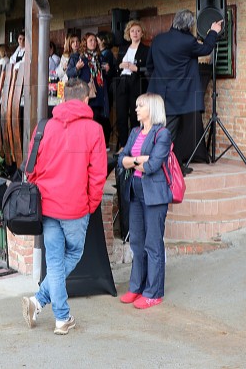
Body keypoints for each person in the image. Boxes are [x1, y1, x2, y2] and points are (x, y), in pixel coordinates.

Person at [21, 78, 107, 335]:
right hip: (75, 207)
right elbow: (98, 175)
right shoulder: (93, 130)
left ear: (62, 98)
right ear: (85, 99)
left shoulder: (44, 127)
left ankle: (44, 306)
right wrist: (91, 204)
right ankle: (58, 315)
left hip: (47, 207)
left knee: (56, 261)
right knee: (71, 256)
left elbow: (30, 168)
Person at [146, 9, 222, 165]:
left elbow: (149, 66)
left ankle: (173, 163)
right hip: (178, 96)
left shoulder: (158, 39)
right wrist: (213, 32)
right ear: (189, 26)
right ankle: (166, 166)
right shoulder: (187, 42)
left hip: (158, 93)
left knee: (158, 129)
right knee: (170, 133)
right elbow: (206, 48)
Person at [117, 93, 172, 308]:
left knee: (153, 243)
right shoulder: (134, 132)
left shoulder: (162, 133)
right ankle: (136, 287)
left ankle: (153, 291)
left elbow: (153, 165)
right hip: (135, 192)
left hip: (154, 195)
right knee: (137, 241)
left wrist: (136, 162)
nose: (136, 109)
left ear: (153, 109)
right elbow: (122, 160)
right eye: (137, 104)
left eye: (141, 106)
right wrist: (139, 160)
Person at [67, 32, 110, 146]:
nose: (93, 43)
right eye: (90, 40)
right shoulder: (78, 57)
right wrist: (77, 67)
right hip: (87, 95)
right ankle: (88, 145)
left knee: (100, 120)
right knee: (89, 120)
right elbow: (69, 73)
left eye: (95, 41)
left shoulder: (100, 57)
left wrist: (107, 70)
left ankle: (99, 145)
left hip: (100, 93)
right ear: (85, 42)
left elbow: (106, 75)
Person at [115, 20, 150, 150]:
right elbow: (116, 66)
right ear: (128, 33)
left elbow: (149, 67)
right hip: (122, 82)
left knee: (136, 116)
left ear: (142, 34)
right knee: (121, 115)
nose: (135, 33)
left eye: (138, 31)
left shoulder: (146, 50)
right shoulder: (123, 49)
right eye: (132, 31)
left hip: (137, 83)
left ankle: (137, 145)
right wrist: (120, 65)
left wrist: (137, 68)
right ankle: (124, 146)